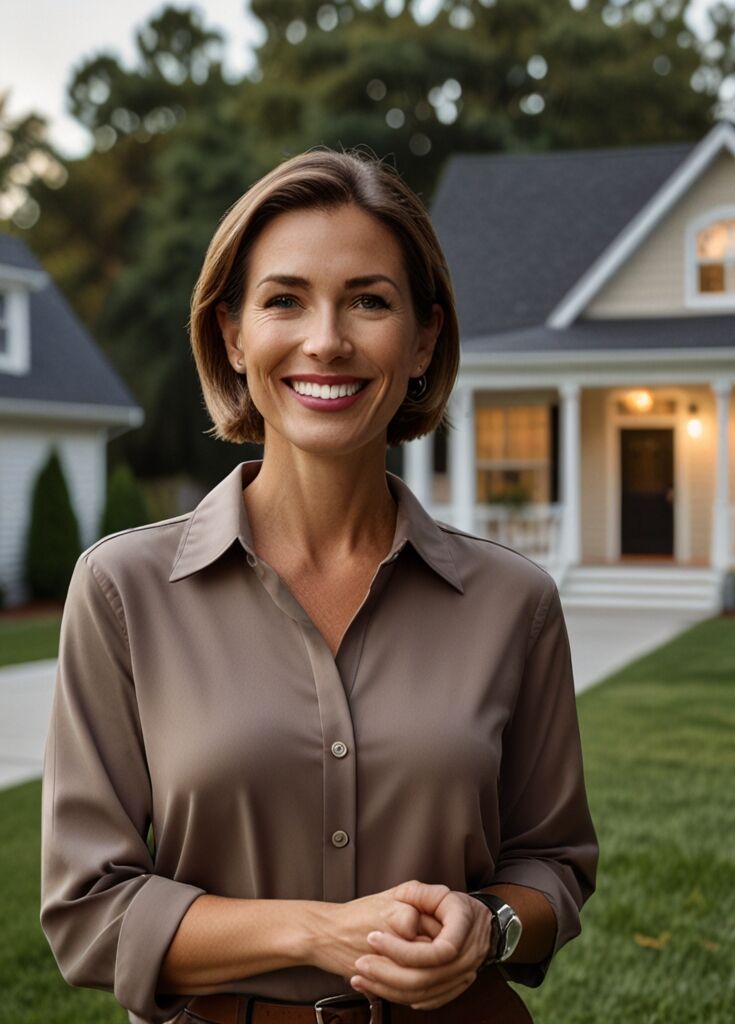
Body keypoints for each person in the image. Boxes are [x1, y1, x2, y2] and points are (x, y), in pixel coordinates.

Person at [38, 147, 598, 1024]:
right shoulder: (121, 591)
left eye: (369, 301)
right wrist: (316, 933)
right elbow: (88, 912)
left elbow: (554, 867)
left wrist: (485, 927)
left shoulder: (512, 602)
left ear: (422, 340)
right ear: (232, 334)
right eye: (284, 300)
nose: (327, 339)